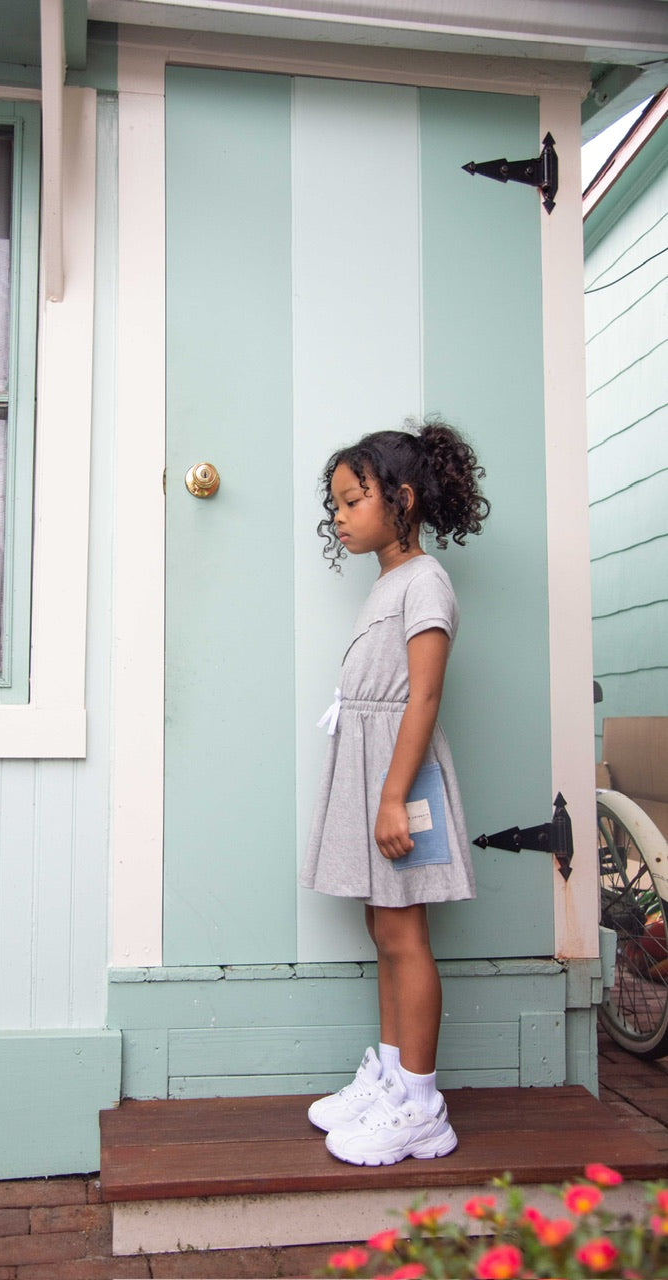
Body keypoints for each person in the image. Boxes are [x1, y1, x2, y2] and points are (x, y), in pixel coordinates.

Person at [299, 420, 489, 1167]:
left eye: (353, 499)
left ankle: (420, 1103)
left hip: (400, 777)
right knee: (384, 929)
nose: (339, 515)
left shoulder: (426, 582)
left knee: (406, 934)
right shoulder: (391, 579)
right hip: (373, 765)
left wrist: (391, 796)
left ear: (402, 499)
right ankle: (388, 1077)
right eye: (336, 503)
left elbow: (424, 697)